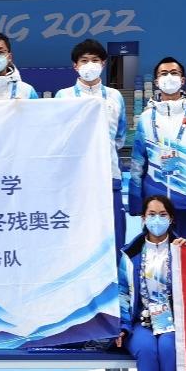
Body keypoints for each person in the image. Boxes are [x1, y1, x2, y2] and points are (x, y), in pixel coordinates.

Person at [115, 194, 186, 371]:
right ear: (143, 219)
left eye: (162, 215)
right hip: (141, 323)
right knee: (147, 352)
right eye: (152, 214)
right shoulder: (129, 254)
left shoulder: (181, 250)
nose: (157, 220)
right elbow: (122, 293)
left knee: (169, 350)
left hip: (173, 323)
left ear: (171, 219)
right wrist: (123, 327)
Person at [128, 56, 186, 248]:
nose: (169, 77)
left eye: (174, 73)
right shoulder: (145, 118)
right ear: (156, 81)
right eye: (164, 73)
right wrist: (136, 199)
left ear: (182, 80)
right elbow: (137, 163)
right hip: (155, 204)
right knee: (156, 254)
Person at [56, 39, 128, 251]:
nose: (90, 64)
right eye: (84, 60)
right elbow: (59, 138)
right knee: (79, 234)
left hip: (109, 175)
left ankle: (117, 272)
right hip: (76, 179)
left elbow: (120, 137)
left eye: (95, 60)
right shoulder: (63, 96)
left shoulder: (115, 97)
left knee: (114, 233)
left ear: (103, 64)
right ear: (75, 66)